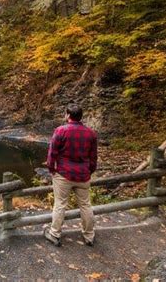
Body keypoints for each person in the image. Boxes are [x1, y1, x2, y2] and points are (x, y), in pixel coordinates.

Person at [44, 103, 97, 247]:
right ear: (81, 116)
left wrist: (51, 169)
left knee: (60, 205)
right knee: (86, 205)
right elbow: (93, 158)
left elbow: (52, 152)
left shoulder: (61, 131)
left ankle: (54, 234)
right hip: (83, 175)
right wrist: (89, 171)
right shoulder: (91, 133)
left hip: (64, 174)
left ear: (68, 115)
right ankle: (89, 236)